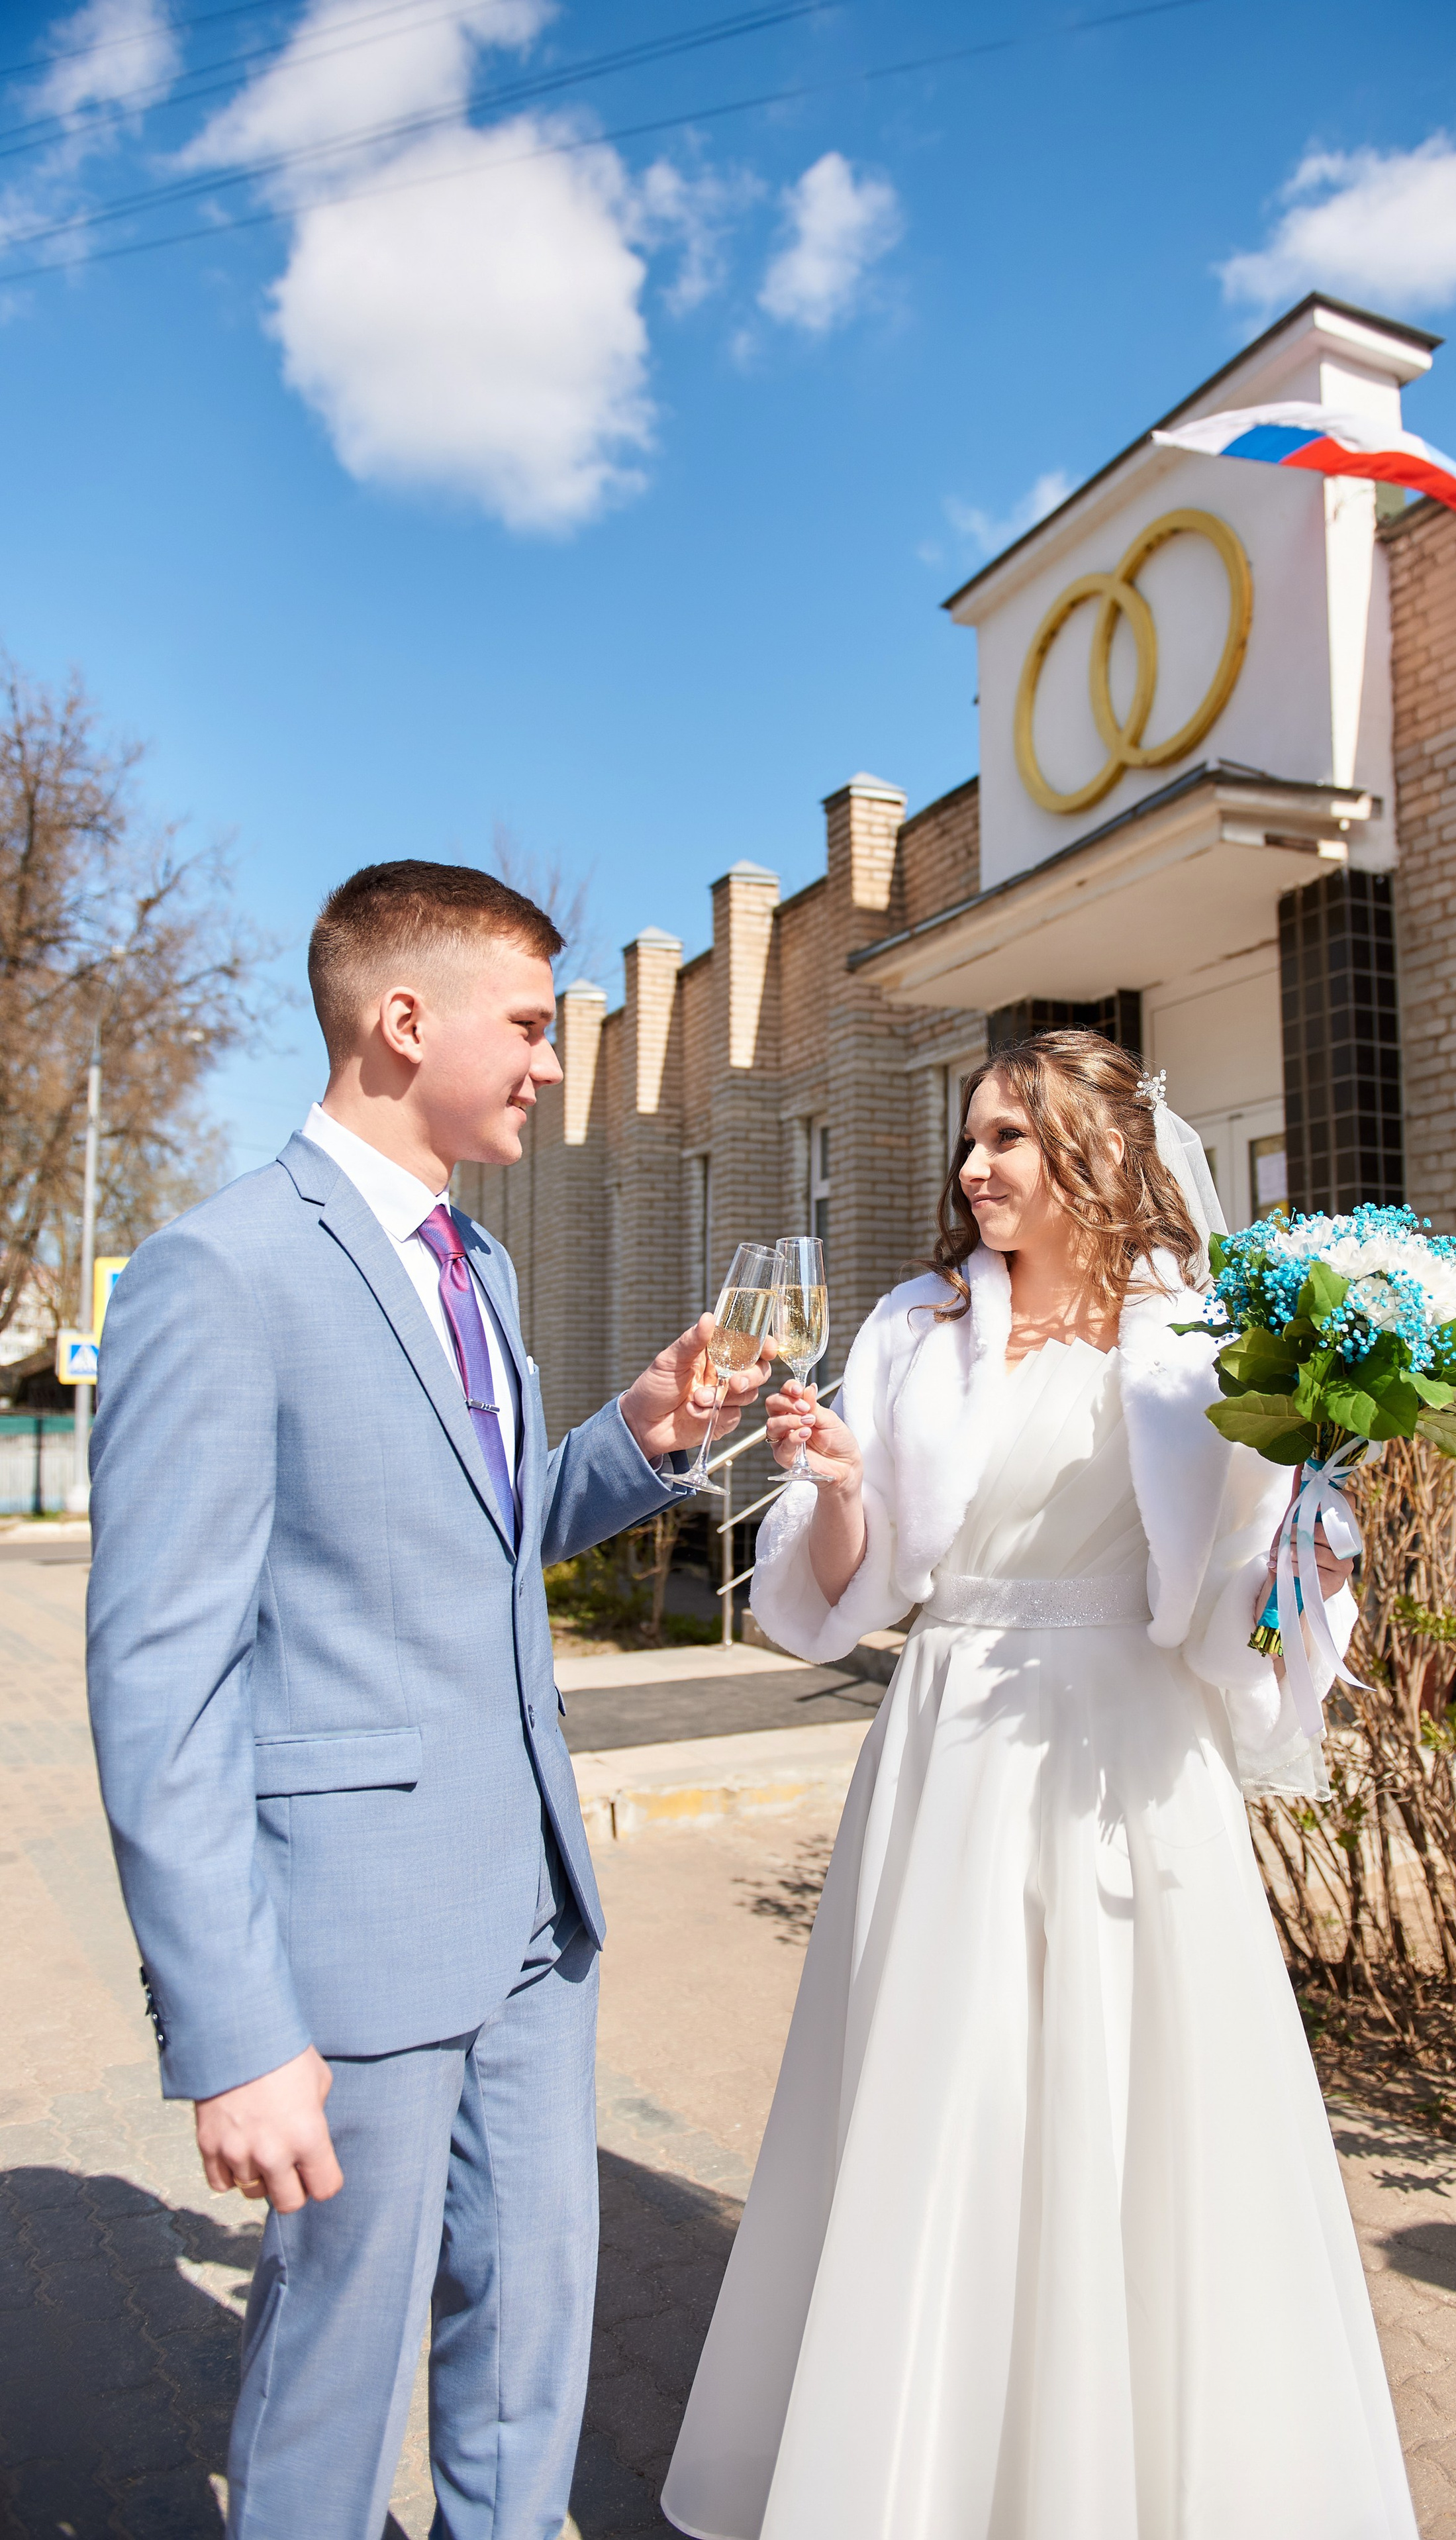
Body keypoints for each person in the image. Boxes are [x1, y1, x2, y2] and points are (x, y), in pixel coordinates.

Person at [86, 861, 766, 2540]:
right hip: (354, 1943)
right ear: (405, 1022)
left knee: (533, 2326)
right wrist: (234, 2032)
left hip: (532, 1911)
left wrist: (635, 1435)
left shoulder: (482, 1267)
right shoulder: (219, 1274)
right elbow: (159, 1678)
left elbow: (489, 1528)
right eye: (529, 1027)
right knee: (335, 2361)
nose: (548, 1062)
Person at [662, 1031, 1418, 2540]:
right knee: (943, 2096)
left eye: (1007, 1136)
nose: (972, 1166)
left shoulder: (1200, 1338)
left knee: (1141, 2102)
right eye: (969, 1137)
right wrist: (834, 1485)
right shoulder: (909, 1321)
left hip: (1133, 1748)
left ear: (1094, 1152)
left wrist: (1311, 1557)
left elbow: (1229, 1599)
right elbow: (850, 1594)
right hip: (950, 1735)